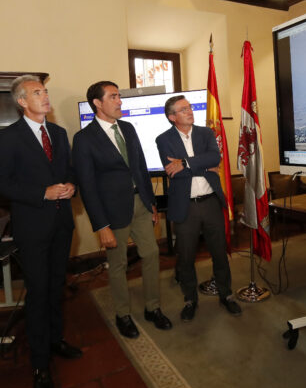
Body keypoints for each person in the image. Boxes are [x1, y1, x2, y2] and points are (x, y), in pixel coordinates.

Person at [0, 75, 82, 388]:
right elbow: (3, 184)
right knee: (37, 293)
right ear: (22, 102)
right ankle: (39, 364)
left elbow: (70, 170)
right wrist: (42, 193)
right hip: (32, 228)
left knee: (57, 285)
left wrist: (72, 186)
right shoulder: (9, 138)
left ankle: (55, 340)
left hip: (62, 224)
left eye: (45, 91)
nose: (45, 97)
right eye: (37, 93)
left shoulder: (59, 133)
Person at [72, 81, 171, 338]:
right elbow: (88, 185)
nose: (120, 101)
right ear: (97, 103)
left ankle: (153, 308)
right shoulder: (83, 139)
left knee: (151, 254)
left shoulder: (127, 128)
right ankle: (123, 314)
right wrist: (101, 226)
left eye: (119, 96)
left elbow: (139, 167)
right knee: (118, 265)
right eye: (113, 97)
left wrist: (152, 203)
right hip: (112, 212)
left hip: (140, 203)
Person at [155, 95, 241, 321]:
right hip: (185, 207)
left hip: (211, 202)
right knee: (186, 257)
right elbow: (173, 171)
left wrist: (184, 162)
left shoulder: (206, 133)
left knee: (219, 253)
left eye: (190, 107)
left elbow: (215, 157)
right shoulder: (163, 139)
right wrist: (204, 166)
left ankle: (226, 295)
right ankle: (190, 299)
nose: (190, 111)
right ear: (172, 117)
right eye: (183, 109)